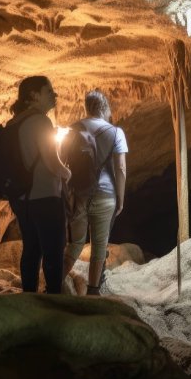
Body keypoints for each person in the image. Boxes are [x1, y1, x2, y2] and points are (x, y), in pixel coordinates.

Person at [7, 76, 71, 294]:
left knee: (31, 249)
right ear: (34, 96)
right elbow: (51, 161)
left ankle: (29, 295)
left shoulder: (15, 123)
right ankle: (54, 296)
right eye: (49, 91)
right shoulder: (41, 122)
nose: (54, 95)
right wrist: (67, 172)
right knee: (53, 249)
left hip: (23, 198)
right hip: (45, 195)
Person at [62, 90, 127, 295]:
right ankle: (92, 291)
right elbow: (121, 169)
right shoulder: (116, 133)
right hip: (106, 195)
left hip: (79, 193)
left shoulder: (73, 129)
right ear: (105, 108)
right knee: (99, 245)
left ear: (86, 107)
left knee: (76, 243)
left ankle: (53, 284)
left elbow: (61, 161)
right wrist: (120, 198)